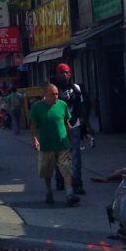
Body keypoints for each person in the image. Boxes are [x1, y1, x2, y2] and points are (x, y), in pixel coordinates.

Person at [28, 83, 80, 207]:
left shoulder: (62, 105)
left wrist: (70, 139)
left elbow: (67, 122)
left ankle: (69, 194)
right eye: (52, 94)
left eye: (57, 94)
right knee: (47, 171)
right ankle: (49, 192)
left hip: (62, 144)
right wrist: (35, 140)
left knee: (66, 168)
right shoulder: (37, 107)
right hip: (46, 145)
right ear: (45, 94)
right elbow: (33, 125)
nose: (56, 96)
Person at [52, 62, 88, 195]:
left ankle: (77, 182)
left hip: (74, 125)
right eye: (62, 72)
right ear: (57, 73)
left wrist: (85, 123)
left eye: (67, 72)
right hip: (58, 126)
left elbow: (82, 104)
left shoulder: (76, 88)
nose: (65, 75)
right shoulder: (53, 89)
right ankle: (60, 179)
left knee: (76, 155)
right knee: (60, 154)